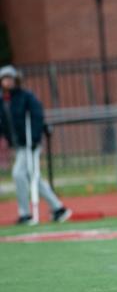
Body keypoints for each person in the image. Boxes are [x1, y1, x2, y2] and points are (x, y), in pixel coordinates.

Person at [0, 65, 71, 225]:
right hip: (17, 144)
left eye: (10, 78)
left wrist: (35, 138)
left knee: (19, 174)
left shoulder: (25, 96)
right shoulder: (2, 100)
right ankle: (59, 208)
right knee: (33, 178)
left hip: (30, 143)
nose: (7, 82)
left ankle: (25, 214)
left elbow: (37, 117)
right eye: (4, 78)